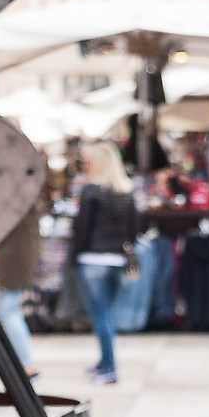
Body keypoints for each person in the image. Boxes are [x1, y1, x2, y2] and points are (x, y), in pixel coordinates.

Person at [69, 140, 137, 384]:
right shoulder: (126, 192)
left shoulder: (91, 192)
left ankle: (109, 367)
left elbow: (82, 230)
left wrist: (73, 257)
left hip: (92, 259)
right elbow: (133, 231)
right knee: (107, 313)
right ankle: (104, 362)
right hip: (116, 260)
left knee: (101, 315)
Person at [0, 185, 46, 375]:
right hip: (16, 258)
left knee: (8, 312)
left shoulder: (18, 195)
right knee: (9, 310)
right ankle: (23, 362)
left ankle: (26, 363)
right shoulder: (25, 195)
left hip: (14, 260)